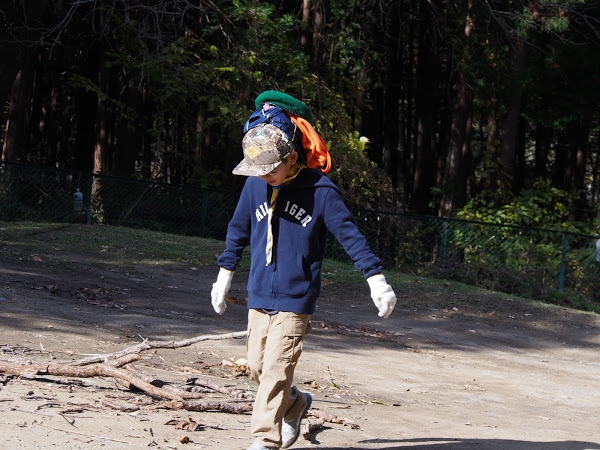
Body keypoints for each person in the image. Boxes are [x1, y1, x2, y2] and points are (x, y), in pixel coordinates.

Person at [211, 91, 397, 450]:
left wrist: (377, 279)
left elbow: (351, 237)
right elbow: (238, 230)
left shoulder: (321, 191)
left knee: (277, 371)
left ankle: (264, 440)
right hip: (259, 293)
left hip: (297, 298)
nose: (263, 174)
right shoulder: (255, 184)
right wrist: (224, 274)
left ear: (292, 157)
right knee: (256, 369)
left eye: (270, 168)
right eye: (258, 169)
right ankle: (296, 404)